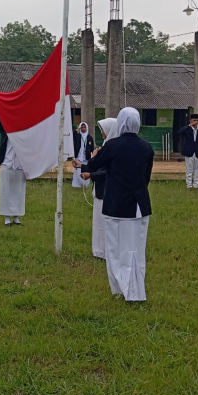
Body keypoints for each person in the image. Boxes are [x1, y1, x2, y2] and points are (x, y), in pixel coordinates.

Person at [76, 107, 154, 302]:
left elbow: (93, 166)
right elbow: (146, 178)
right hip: (139, 205)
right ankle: (136, 288)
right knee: (136, 248)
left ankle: (120, 289)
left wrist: (93, 157)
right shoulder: (147, 147)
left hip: (117, 205)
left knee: (115, 249)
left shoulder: (112, 145)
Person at [80, 118, 118, 259]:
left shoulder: (113, 149)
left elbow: (108, 171)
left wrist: (90, 173)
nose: (102, 133)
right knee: (98, 223)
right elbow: (96, 166)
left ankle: (107, 251)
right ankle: (99, 250)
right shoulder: (105, 145)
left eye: (103, 130)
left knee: (106, 222)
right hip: (100, 190)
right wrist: (84, 165)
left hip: (108, 191)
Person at [0, 104, 24, 226]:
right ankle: (7, 218)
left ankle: (16, 217)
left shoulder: (24, 134)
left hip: (20, 166)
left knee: (19, 192)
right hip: (7, 164)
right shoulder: (6, 131)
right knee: (6, 191)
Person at [176, 113, 198, 189]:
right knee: (189, 169)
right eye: (194, 120)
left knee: (197, 169)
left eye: (197, 120)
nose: (196, 122)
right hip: (189, 152)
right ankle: (189, 185)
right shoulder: (187, 130)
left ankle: (196, 185)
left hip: (197, 152)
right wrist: (189, 126)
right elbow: (179, 132)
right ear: (190, 121)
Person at [71, 122, 94, 189]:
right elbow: (71, 137)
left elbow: (91, 148)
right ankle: (77, 185)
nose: (83, 129)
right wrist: (76, 131)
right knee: (77, 171)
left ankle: (85, 185)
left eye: (84, 127)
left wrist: (91, 156)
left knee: (86, 169)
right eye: (82, 127)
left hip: (86, 157)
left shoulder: (89, 138)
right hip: (79, 156)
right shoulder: (77, 136)